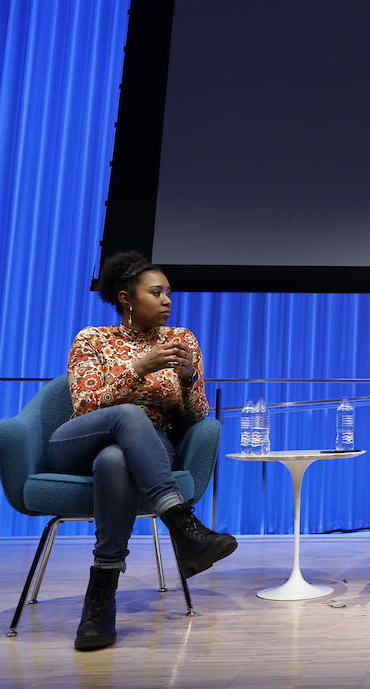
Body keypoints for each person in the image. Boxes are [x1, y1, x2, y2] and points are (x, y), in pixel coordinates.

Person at [50, 252, 237, 651]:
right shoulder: (92, 339)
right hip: (78, 442)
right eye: (157, 292)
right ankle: (183, 525)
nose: (168, 299)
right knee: (128, 417)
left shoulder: (182, 340)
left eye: (169, 292)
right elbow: (85, 405)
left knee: (115, 459)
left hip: (149, 450)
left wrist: (187, 381)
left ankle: (100, 599)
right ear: (126, 298)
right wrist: (139, 367)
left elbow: (197, 416)